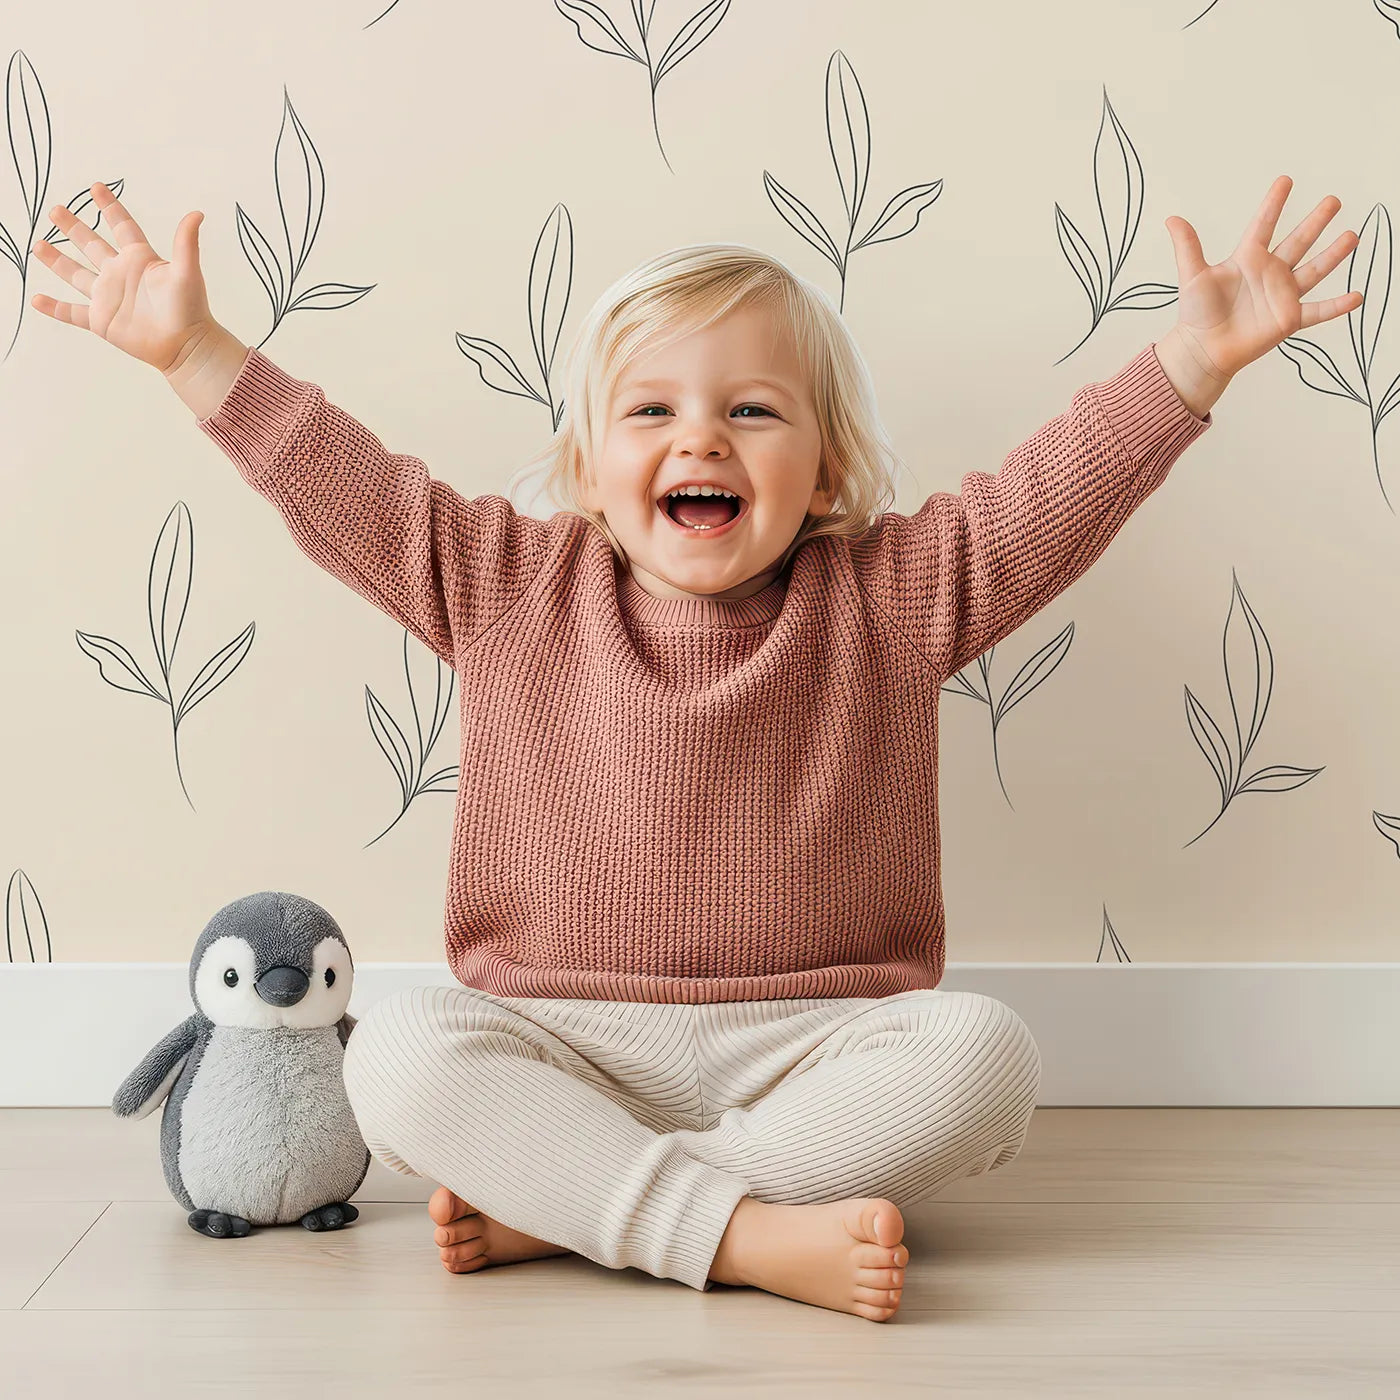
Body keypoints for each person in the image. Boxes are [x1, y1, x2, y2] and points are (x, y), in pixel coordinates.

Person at [30, 176, 1359, 1322]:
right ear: (589, 466)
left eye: (753, 413)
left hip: (815, 1051)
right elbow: (340, 481)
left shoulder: (892, 596)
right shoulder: (501, 583)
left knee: (988, 1056)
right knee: (393, 1058)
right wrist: (192, 347)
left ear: (831, 468)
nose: (701, 438)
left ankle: (581, 1212)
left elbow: (1048, 496)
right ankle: (740, 1235)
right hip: (556, 1043)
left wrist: (1191, 362)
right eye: (651, 412)